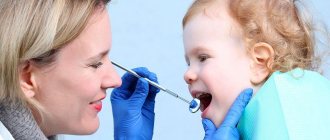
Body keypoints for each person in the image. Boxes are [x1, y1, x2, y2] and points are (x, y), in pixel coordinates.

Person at [182, 0, 330, 139]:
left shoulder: (289, 113)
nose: (187, 74)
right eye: (189, 62)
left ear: (259, 63)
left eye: (203, 58)